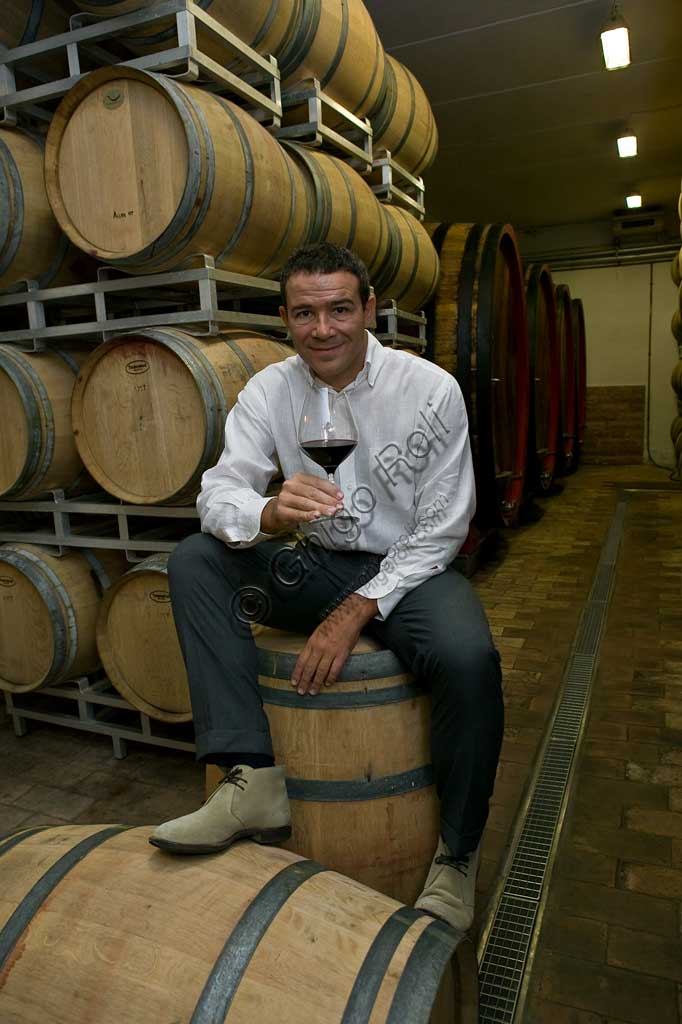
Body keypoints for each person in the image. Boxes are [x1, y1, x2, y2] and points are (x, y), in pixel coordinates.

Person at [150, 242, 504, 933]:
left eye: (341, 309)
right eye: (306, 313)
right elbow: (220, 491)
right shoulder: (270, 390)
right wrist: (266, 512)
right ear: (286, 317)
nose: (324, 329)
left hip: (413, 567)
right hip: (313, 560)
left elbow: (444, 526)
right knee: (196, 560)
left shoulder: (429, 390)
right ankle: (250, 779)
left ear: (369, 308)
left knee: (469, 660)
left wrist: (355, 611)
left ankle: (458, 856)